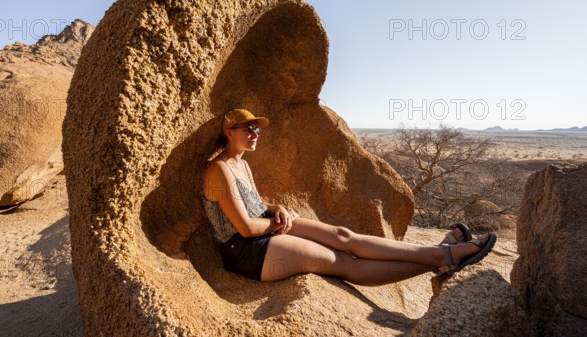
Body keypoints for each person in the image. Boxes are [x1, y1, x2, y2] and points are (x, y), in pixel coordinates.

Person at [202, 109, 496, 284]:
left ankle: (438, 251)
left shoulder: (241, 163)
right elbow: (244, 227)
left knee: (345, 236)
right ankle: (441, 258)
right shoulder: (219, 170)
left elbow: (255, 204)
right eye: (248, 129)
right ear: (229, 132)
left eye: (257, 129)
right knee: (342, 262)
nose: (255, 133)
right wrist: (278, 224)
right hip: (244, 249)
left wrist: (276, 207)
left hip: (264, 227)